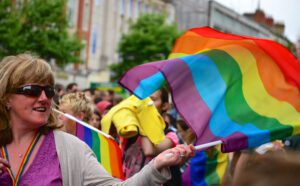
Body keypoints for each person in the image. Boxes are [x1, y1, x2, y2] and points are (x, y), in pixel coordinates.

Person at [0, 54, 195, 185]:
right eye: (33, 90)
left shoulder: (70, 148)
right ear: (6, 97)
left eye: (48, 91)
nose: (43, 98)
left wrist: (156, 165)